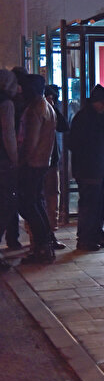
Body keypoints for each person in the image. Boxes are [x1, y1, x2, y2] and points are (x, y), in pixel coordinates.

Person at [69, 85, 104, 251]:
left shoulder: (99, 116)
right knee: (89, 204)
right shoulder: (85, 117)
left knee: (98, 203)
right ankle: (85, 238)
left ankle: (96, 235)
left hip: (98, 168)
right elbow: (74, 143)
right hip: (88, 169)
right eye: (102, 102)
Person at [18, 74, 57, 264]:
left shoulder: (36, 108)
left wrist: (21, 159)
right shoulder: (47, 106)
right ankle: (45, 244)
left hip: (33, 163)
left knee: (29, 205)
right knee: (36, 203)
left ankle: (42, 246)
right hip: (42, 162)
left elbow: (30, 140)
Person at [43, 85, 69, 249]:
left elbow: (63, 126)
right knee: (43, 200)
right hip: (39, 163)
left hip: (51, 162)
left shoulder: (50, 111)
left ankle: (50, 234)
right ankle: (40, 238)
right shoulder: (35, 109)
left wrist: (54, 107)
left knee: (53, 198)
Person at [0, 70, 18, 253]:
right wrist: (15, 159)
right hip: (3, 161)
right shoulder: (6, 104)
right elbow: (8, 134)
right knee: (6, 204)